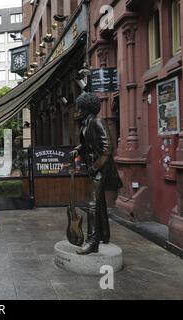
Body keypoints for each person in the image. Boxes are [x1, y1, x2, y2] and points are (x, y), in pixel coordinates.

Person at [70, 92, 123, 255]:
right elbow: (87, 143)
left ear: (87, 107)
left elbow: (108, 148)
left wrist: (95, 167)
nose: (78, 109)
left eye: (80, 106)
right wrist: (78, 149)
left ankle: (92, 241)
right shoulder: (86, 123)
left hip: (100, 168)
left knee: (92, 204)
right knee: (99, 203)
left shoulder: (98, 121)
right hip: (93, 167)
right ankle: (104, 235)